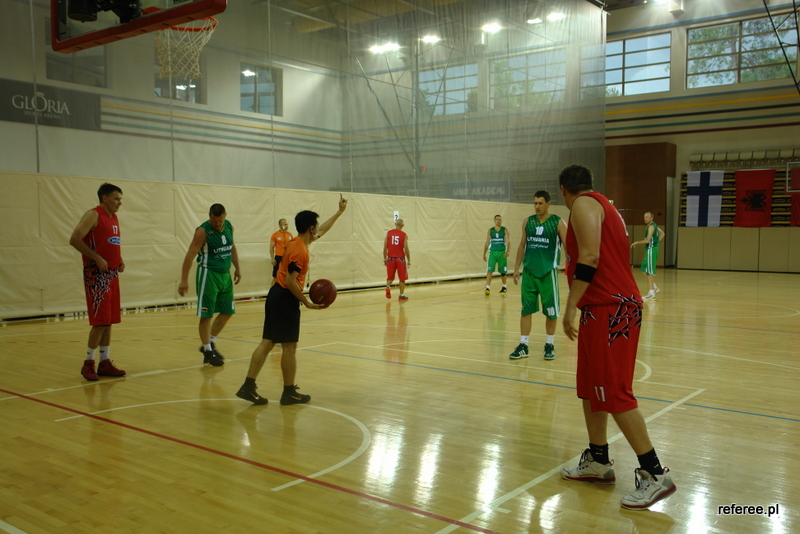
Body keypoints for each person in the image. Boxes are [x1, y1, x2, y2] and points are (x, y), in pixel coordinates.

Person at [558, 165, 676, 510]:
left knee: (614, 391)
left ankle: (655, 474)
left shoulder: (583, 204)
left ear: (564, 189)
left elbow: (590, 256)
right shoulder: (601, 205)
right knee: (590, 387)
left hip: (612, 308)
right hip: (601, 308)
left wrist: (570, 305)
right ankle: (598, 460)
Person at [236, 195, 348, 405]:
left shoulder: (298, 241)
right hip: (284, 298)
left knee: (267, 343)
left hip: (276, 296)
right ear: (310, 228)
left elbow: (323, 230)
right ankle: (288, 392)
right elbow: (289, 281)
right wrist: (306, 302)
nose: (318, 229)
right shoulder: (300, 250)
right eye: (316, 226)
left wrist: (339, 212)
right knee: (289, 347)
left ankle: (248, 386)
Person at [69, 183, 127, 381]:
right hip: (96, 275)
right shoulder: (93, 215)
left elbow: (110, 243)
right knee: (100, 321)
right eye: (116, 199)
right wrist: (96, 258)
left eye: (120, 199)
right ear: (105, 198)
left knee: (109, 321)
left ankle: (105, 362)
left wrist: (119, 259)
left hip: (112, 274)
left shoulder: (114, 217)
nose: (120, 202)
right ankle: (88, 364)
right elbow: (74, 239)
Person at [178, 204, 241, 367]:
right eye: (214, 220)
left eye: (220, 220)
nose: (217, 224)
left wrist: (237, 268)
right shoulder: (202, 231)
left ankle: (210, 342)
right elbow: (190, 254)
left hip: (225, 275)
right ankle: (207, 351)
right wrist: (184, 279)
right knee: (207, 315)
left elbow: (232, 247)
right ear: (209, 216)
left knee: (227, 312)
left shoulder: (229, 226)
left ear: (225, 216)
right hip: (208, 275)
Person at [509, 191, 567, 361]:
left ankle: (549, 344)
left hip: (548, 273)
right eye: (535, 203)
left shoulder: (558, 222)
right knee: (526, 309)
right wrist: (516, 268)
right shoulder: (528, 222)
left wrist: (571, 268)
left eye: (540, 203)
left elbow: (568, 246)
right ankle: (523, 345)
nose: (537, 206)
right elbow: (522, 245)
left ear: (548, 203)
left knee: (551, 312)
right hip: (529, 272)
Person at [630, 211, 665, 300]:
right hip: (651, 249)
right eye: (644, 217)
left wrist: (636, 242)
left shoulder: (651, 227)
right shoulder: (653, 226)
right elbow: (662, 234)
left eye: (647, 217)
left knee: (649, 272)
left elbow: (647, 240)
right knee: (643, 269)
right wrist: (656, 241)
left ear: (651, 218)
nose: (645, 219)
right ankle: (654, 286)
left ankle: (651, 292)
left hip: (651, 249)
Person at [384, 219, 411, 301]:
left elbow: (385, 246)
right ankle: (401, 295)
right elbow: (406, 248)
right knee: (402, 278)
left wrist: (385, 258)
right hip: (400, 259)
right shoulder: (404, 235)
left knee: (390, 276)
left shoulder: (389, 233)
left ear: (395, 224)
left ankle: (388, 287)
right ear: (402, 226)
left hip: (391, 258)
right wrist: (409, 260)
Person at [483, 215, 510, 295]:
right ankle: (487, 287)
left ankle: (504, 286)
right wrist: (484, 254)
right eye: (497, 219)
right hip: (492, 253)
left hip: (502, 252)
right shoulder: (490, 230)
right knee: (489, 270)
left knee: (503, 271)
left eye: (500, 219)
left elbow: (508, 241)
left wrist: (508, 251)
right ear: (494, 220)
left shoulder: (504, 230)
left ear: (501, 220)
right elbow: (487, 242)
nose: (498, 221)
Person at [269, 218, 293, 287]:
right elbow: (271, 247)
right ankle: (272, 291)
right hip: (279, 257)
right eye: (284, 224)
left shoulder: (290, 235)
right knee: (275, 276)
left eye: (287, 224)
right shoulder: (275, 235)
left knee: (288, 275)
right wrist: (272, 258)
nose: (286, 225)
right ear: (280, 225)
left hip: (288, 257)